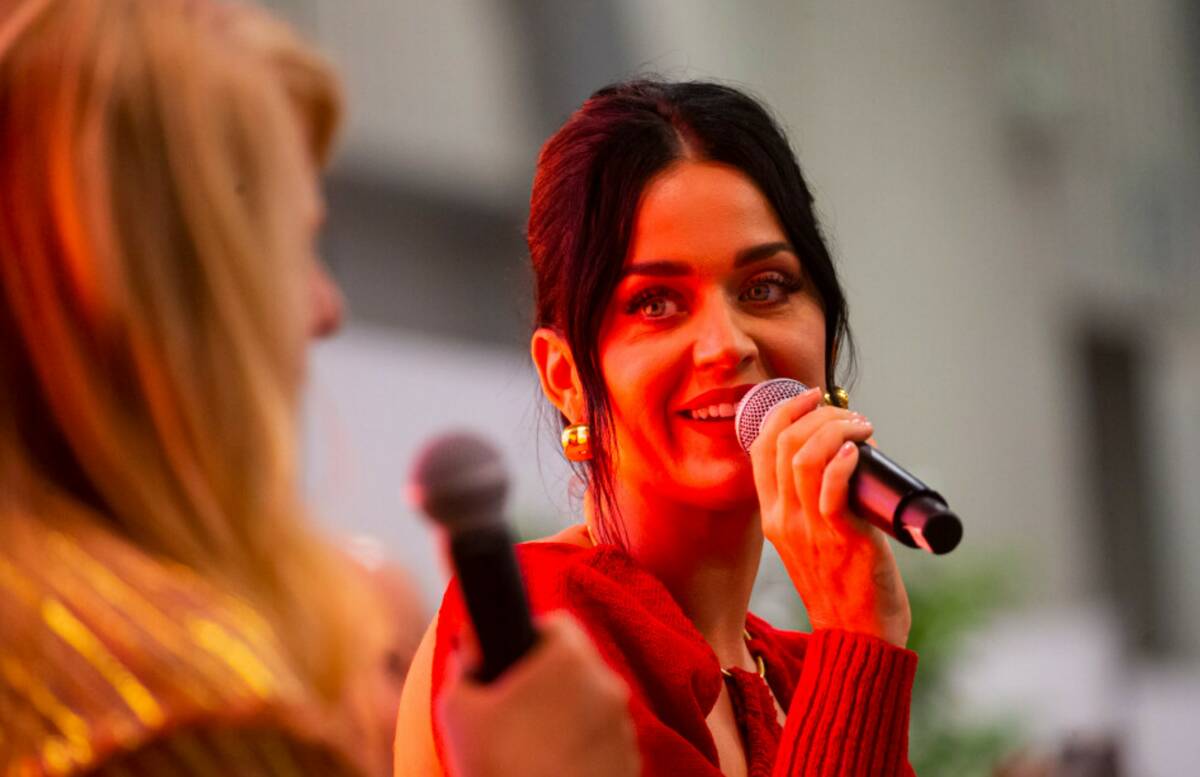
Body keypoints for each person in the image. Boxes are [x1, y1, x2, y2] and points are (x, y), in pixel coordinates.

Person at [0, 1, 639, 775]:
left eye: (769, 285)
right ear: (170, 290)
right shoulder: (182, 719)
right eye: (295, 247)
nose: (327, 308)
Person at [395, 79, 921, 776]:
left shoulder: (796, 673)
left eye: (765, 287)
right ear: (564, 377)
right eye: (657, 302)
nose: (726, 343)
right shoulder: (541, 630)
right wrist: (858, 639)